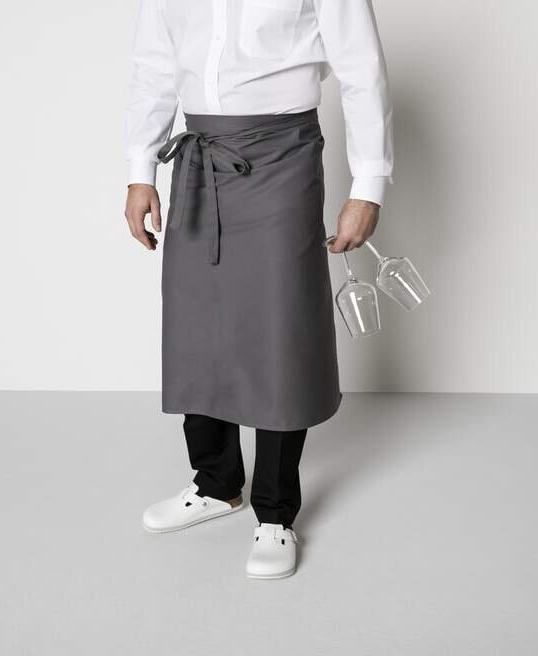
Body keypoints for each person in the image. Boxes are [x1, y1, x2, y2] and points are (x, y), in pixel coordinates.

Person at [124, 0, 393, 579]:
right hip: (198, 155)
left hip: (282, 154)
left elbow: (361, 67)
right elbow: (155, 66)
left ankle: (275, 511)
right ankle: (216, 484)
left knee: (279, 329)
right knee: (197, 325)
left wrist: (368, 185)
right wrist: (140, 171)